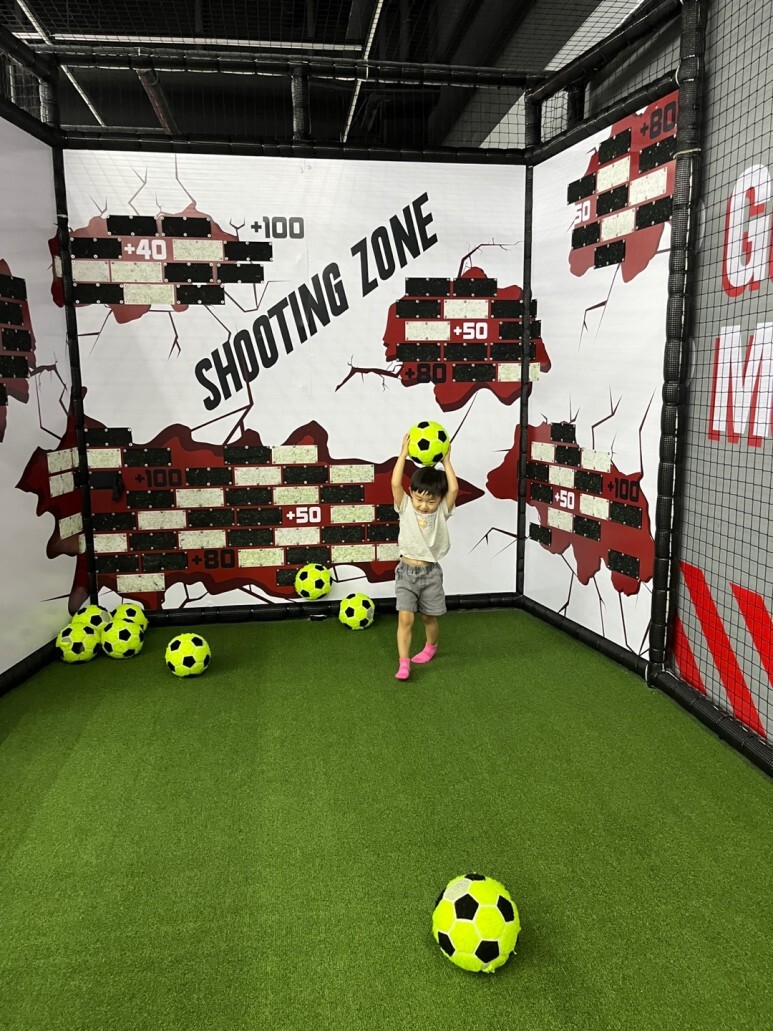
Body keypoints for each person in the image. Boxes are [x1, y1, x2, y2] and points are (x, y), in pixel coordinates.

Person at [390, 433, 458, 681]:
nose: (423, 505)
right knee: (405, 618)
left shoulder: (442, 511)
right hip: (406, 573)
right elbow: (395, 484)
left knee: (429, 617)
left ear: (439, 499)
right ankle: (404, 662)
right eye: (419, 499)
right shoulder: (405, 506)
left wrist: (447, 462)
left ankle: (431, 647)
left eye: (430, 501)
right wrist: (403, 454)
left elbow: (454, 488)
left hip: (430, 574)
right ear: (411, 493)